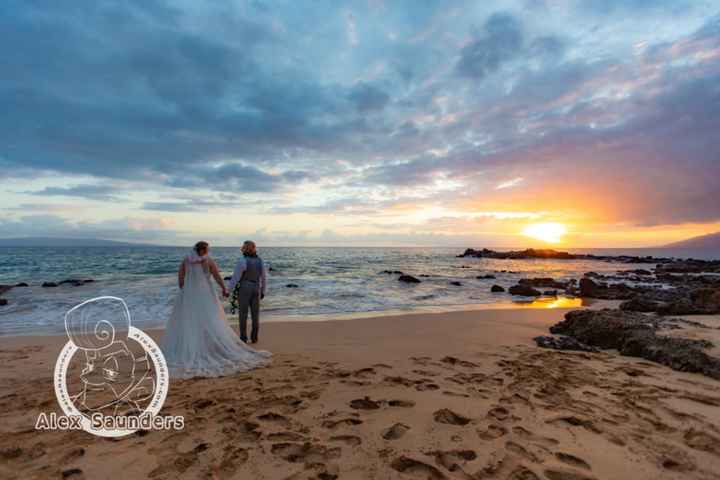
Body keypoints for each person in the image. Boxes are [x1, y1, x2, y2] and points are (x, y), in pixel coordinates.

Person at [161, 241, 270, 379]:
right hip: (208, 292)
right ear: (204, 250)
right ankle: (250, 337)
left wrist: (183, 288)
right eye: (208, 249)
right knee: (213, 317)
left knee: (190, 318)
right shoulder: (209, 260)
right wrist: (224, 288)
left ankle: (197, 344)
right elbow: (217, 276)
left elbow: (181, 275)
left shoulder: (187, 259)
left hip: (191, 294)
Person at [228, 240, 267, 344]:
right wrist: (263, 290)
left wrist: (228, 291)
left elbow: (235, 278)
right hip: (256, 288)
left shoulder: (242, 261)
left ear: (244, 249)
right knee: (255, 314)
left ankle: (243, 338)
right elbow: (263, 277)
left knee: (243, 314)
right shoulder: (260, 261)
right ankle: (254, 337)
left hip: (245, 287)